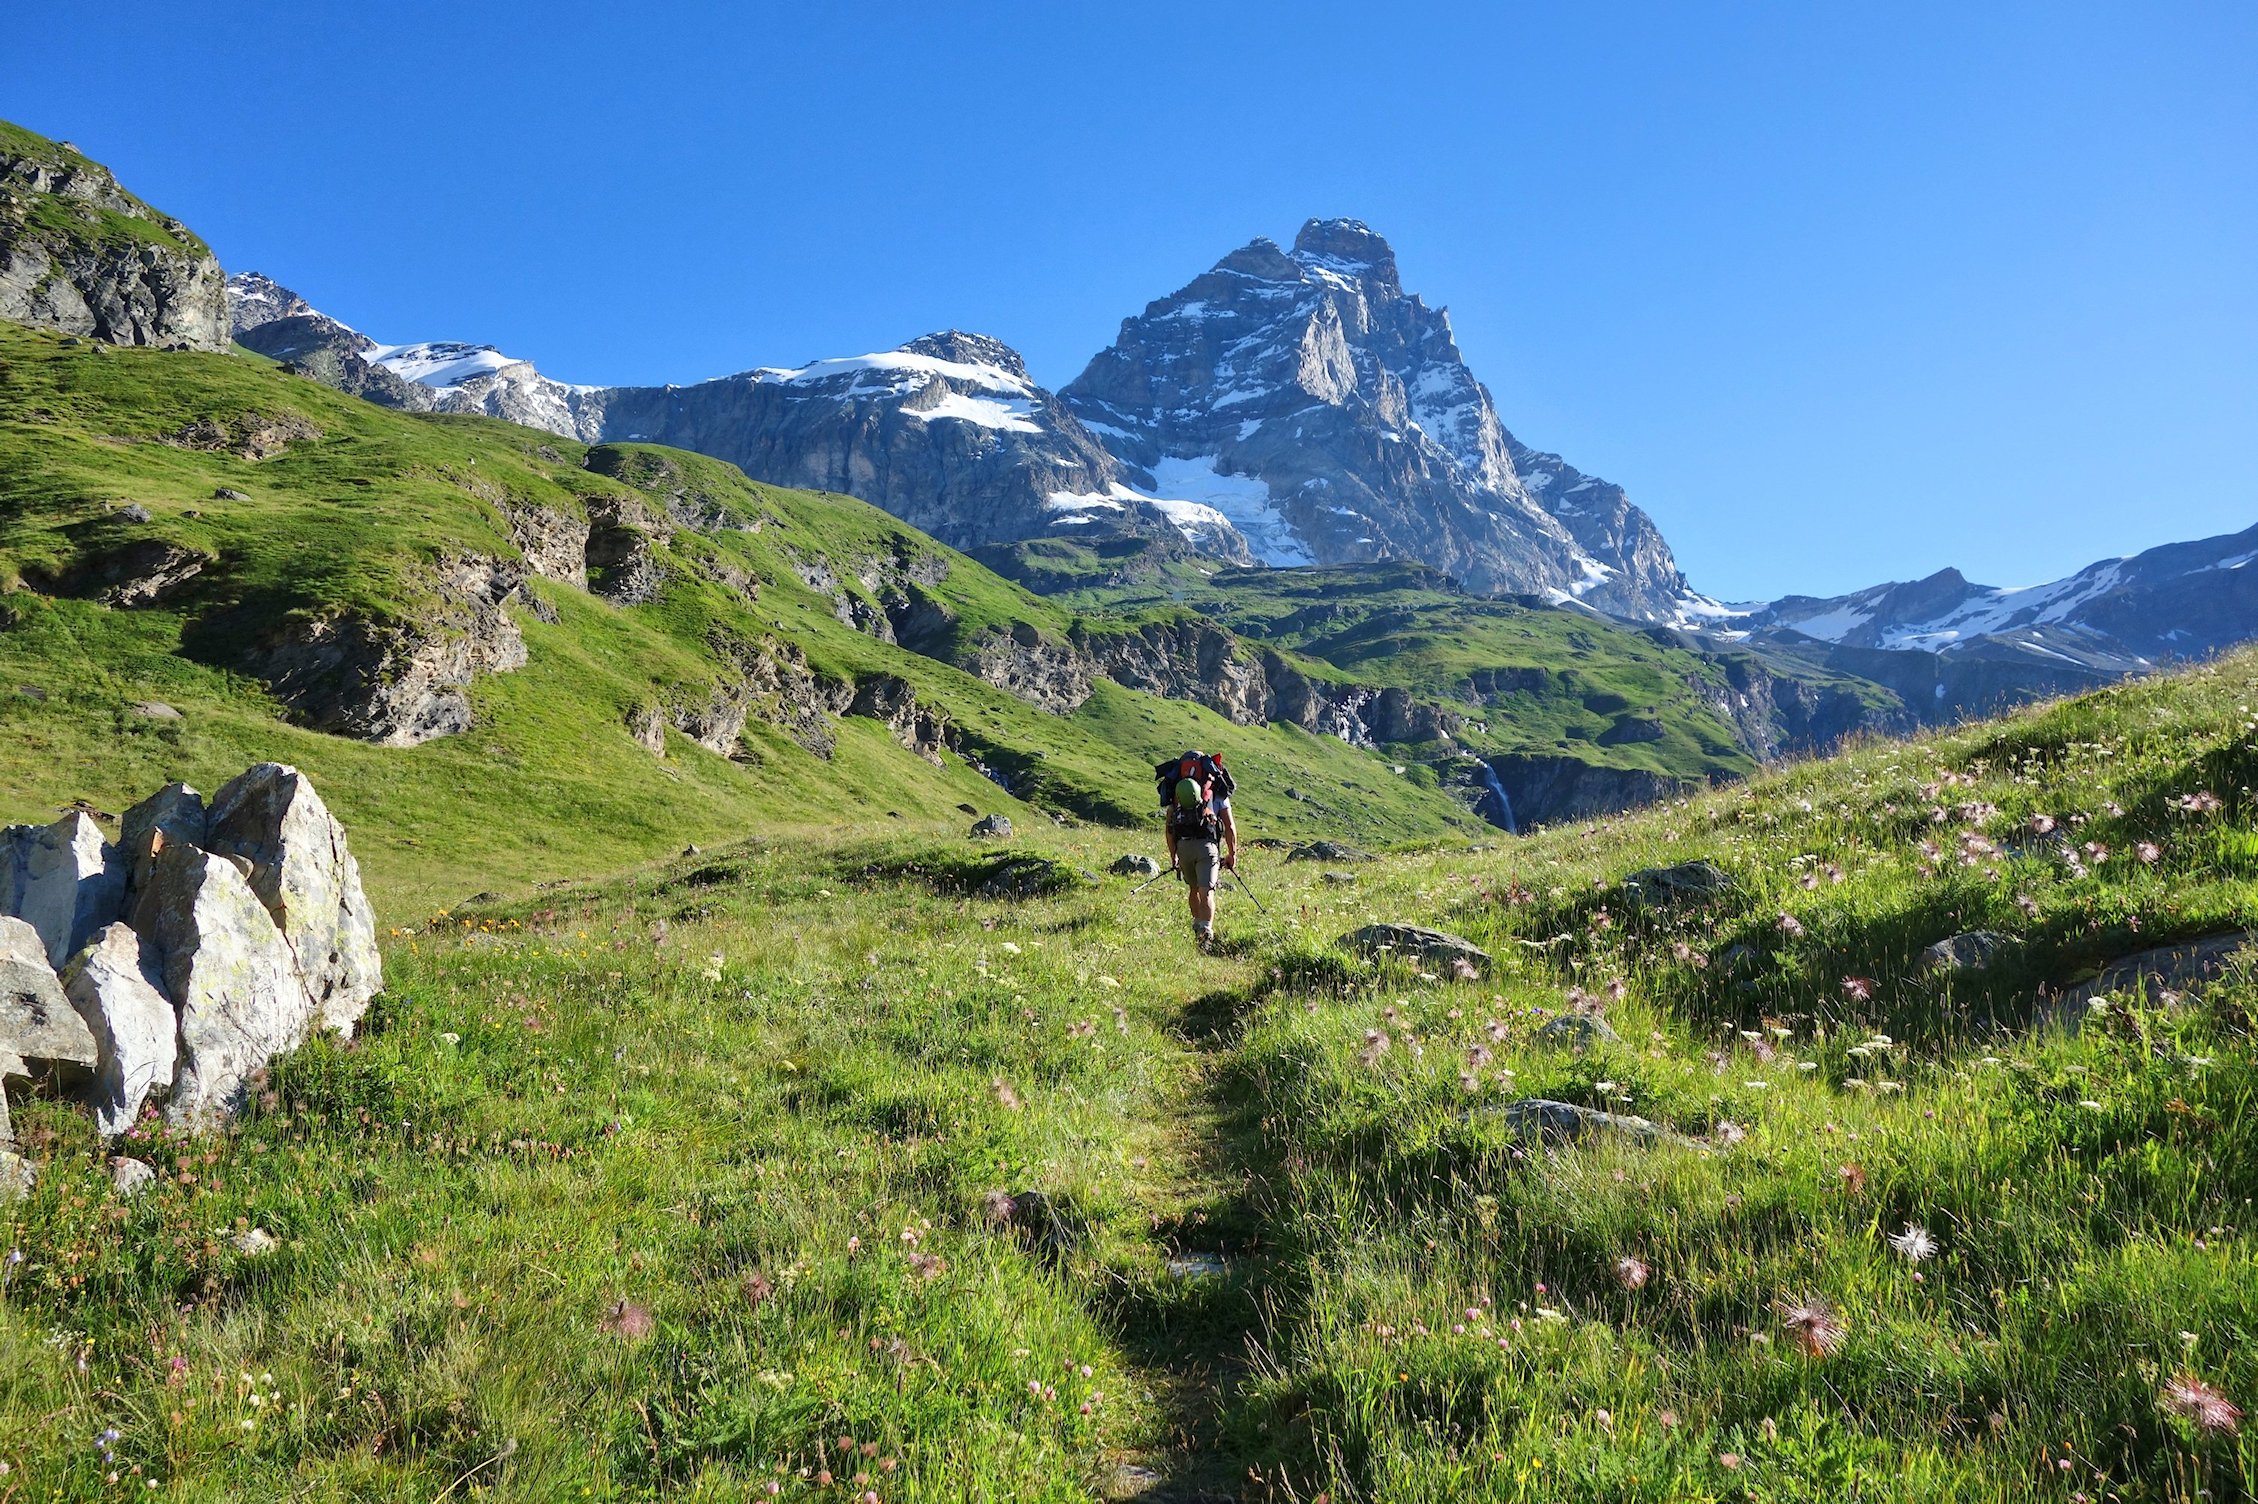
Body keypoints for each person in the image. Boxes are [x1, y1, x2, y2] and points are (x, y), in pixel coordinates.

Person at [1161, 751, 1238, 948]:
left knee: (1193, 889)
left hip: (1184, 845)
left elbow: (1170, 830)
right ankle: (1206, 931)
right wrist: (1232, 853)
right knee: (1207, 891)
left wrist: (1174, 857)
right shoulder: (1216, 791)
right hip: (1207, 847)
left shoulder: (1177, 793)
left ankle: (1197, 924)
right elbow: (1229, 827)